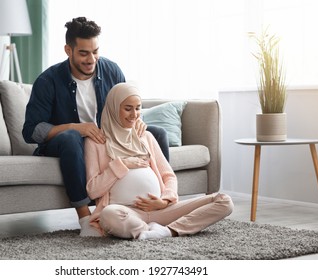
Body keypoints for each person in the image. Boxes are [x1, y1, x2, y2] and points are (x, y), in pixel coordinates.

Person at [22, 17, 169, 237]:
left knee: (155, 133)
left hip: (104, 139)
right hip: (64, 142)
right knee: (72, 138)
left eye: (95, 51)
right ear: (68, 50)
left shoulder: (111, 71)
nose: (91, 59)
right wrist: (76, 127)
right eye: (83, 53)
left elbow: (125, 105)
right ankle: (85, 218)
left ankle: (161, 204)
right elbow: (32, 131)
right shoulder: (48, 80)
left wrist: (136, 121)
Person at [84, 83, 234, 239]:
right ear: (114, 109)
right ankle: (146, 229)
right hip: (127, 213)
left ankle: (167, 231)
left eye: (138, 108)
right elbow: (93, 189)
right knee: (108, 214)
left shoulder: (146, 137)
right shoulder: (96, 143)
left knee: (224, 201)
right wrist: (122, 165)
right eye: (128, 109)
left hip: (161, 210)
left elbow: (168, 176)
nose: (134, 115)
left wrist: (164, 201)